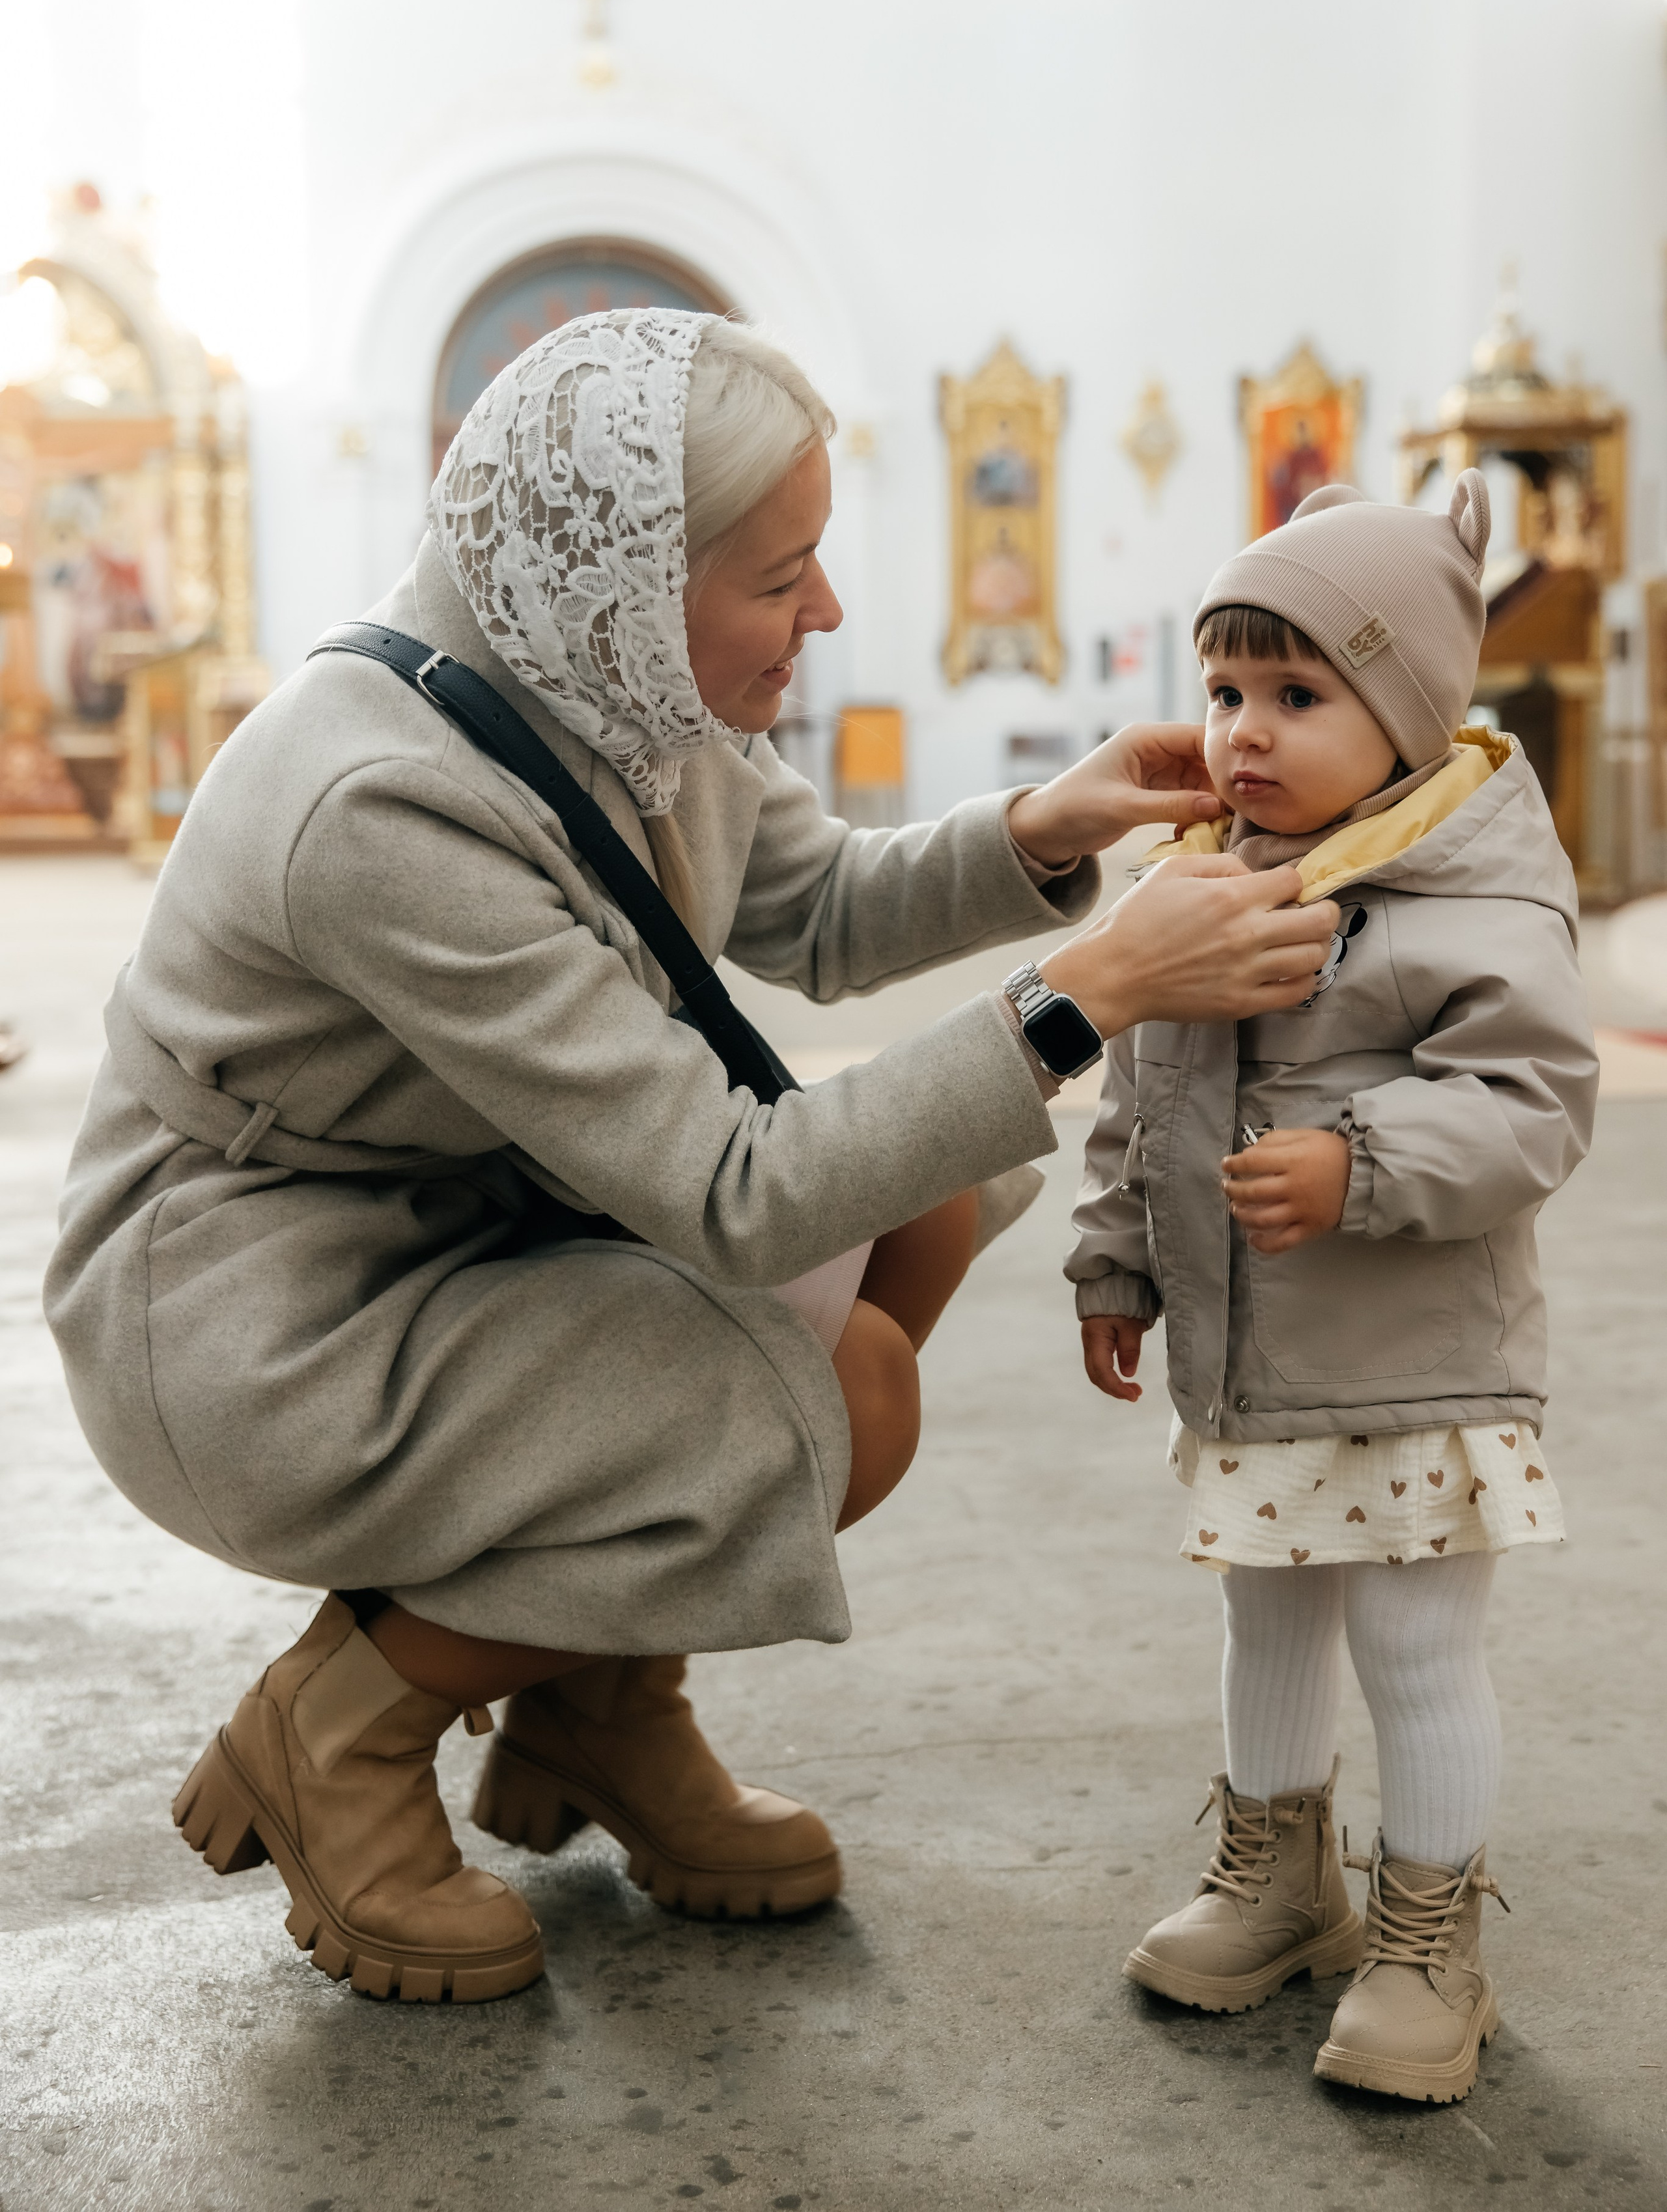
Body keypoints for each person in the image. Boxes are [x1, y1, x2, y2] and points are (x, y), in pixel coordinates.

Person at [46, 309, 1338, 2009]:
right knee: (829, 1400)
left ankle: (594, 1705)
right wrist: (1089, 991)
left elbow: (815, 906)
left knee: (922, 1201)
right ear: (633, 577)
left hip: (455, 1225)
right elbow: (740, 1194)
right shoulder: (376, 806)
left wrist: (1054, 824)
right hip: (256, 1320)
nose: (827, 613)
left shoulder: (610, 686)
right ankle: (339, 1730)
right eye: (782, 573)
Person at [1067, 473, 1597, 2105]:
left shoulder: (1469, 894)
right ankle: (1275, 1880)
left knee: (1416, 1649)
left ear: (1410, 714)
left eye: (1296, 696)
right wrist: (1116, 1258)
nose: (1242, 730)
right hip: (1253, 1367)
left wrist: (1357, 1162)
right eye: (1224, 690)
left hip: (1414, 1370)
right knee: (1265, 1621)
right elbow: (1141, 1090)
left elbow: (1531, 1102)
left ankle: (1427, 1936)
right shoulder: (1212, 874)